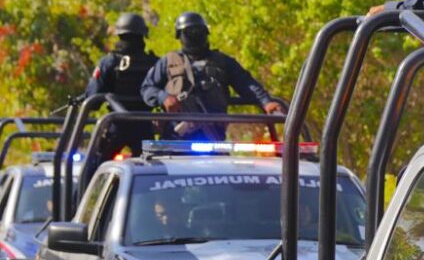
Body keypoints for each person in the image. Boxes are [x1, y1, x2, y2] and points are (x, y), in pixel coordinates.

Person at [140, 12, 284, 141]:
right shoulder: (168, 61)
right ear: (180, 35)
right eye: (190, 32)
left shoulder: (222, 62)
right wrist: (163, 97)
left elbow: (247, 84)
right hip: (176, 139)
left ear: (206, 33)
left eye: (198, 31)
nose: (195, 35)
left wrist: (266, 102)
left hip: (213, 138)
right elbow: (147, 88)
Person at [84, 12, 159, 158]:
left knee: (95, 166)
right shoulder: (155, 63)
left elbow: (93, 100)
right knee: (151, 168)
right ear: (143, 35)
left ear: (120, 35)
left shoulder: (109, 62)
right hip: (144, 127)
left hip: (116, 125)